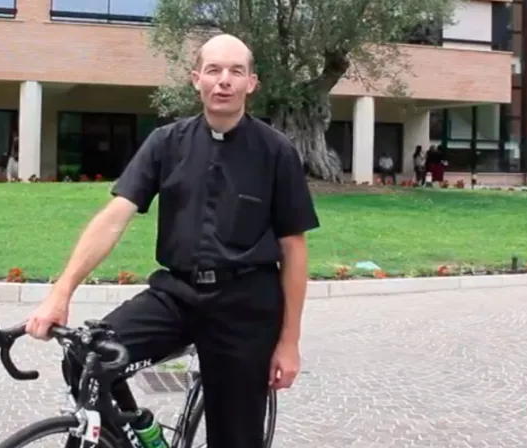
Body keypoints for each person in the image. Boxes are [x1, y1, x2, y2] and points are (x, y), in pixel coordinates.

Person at [25, 33, 320, 448]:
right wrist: (61, 292)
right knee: (86, 358)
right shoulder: (166, 143)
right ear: (195, 78)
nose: (224, 80)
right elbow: (114, 217)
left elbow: (294, 249)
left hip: (245, 306)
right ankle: (137, 433)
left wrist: (289, 343)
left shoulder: (276, 152)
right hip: (176, 294)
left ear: (252, 83)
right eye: (214, 70)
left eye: (236, 71)